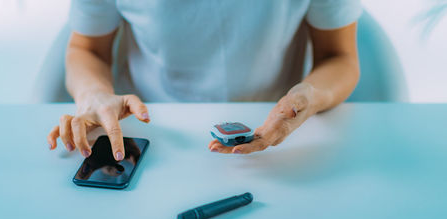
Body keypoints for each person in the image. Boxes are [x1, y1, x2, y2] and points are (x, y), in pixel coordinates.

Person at [47, 0, 362, 160]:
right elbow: (87, 49)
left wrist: (311, 96)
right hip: (153, 135)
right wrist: (95, 95)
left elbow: (339, 57)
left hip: (277, 138)